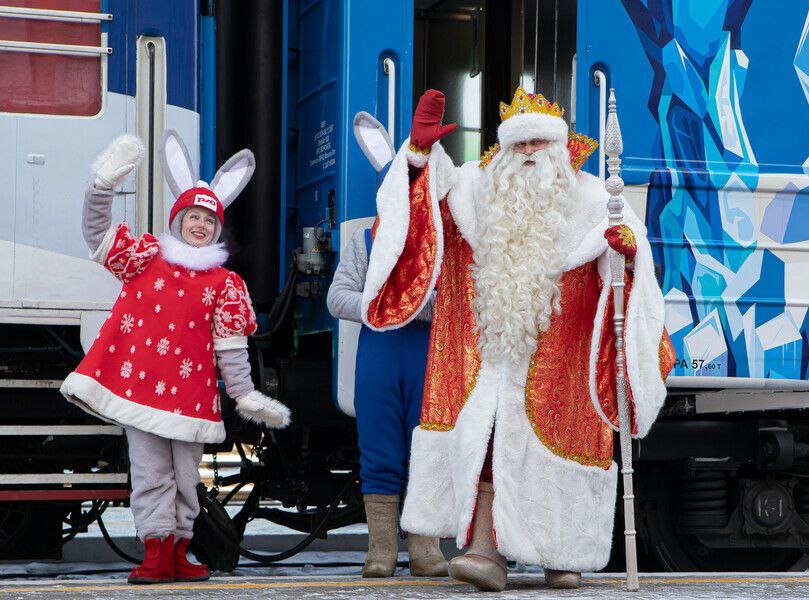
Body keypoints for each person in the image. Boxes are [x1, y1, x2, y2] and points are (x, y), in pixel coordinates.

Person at [360, 88, 675, 591]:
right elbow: (420, 217)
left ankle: (563, 556)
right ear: (504, 151)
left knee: (562, 448)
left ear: (559, 148)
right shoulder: (475, 191)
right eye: (520, 144)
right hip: (492, 360)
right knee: (487, 446)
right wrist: (418, 157)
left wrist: (627, 253)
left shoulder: (596, 198)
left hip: (564, 362)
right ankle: (485, 552)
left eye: (538, 144)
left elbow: (631, 269)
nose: (528, 152)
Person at [60, 132, 291, 584]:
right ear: (179, 219)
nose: (201, 225)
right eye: (194, 216)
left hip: (190, 396)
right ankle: (154, 551)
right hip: (139, 388)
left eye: (210, 218)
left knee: (186, 477)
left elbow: (230, 346)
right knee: (149, 473)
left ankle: (180, 549)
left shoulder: (225, 284)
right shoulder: (145, 257)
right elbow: (97, 233)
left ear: (217, 228)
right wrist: (102, 185)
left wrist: (243, 393)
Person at [325, 113, 447, 578]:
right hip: (378, 357)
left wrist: (416, 307)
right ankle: (380, 550)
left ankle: (425, 549)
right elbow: (338, 297)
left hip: (423, 356)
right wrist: (382, 308)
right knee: (379, 450)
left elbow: (453, 302)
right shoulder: (364, 240)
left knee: (426, 450)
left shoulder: (438, 248)